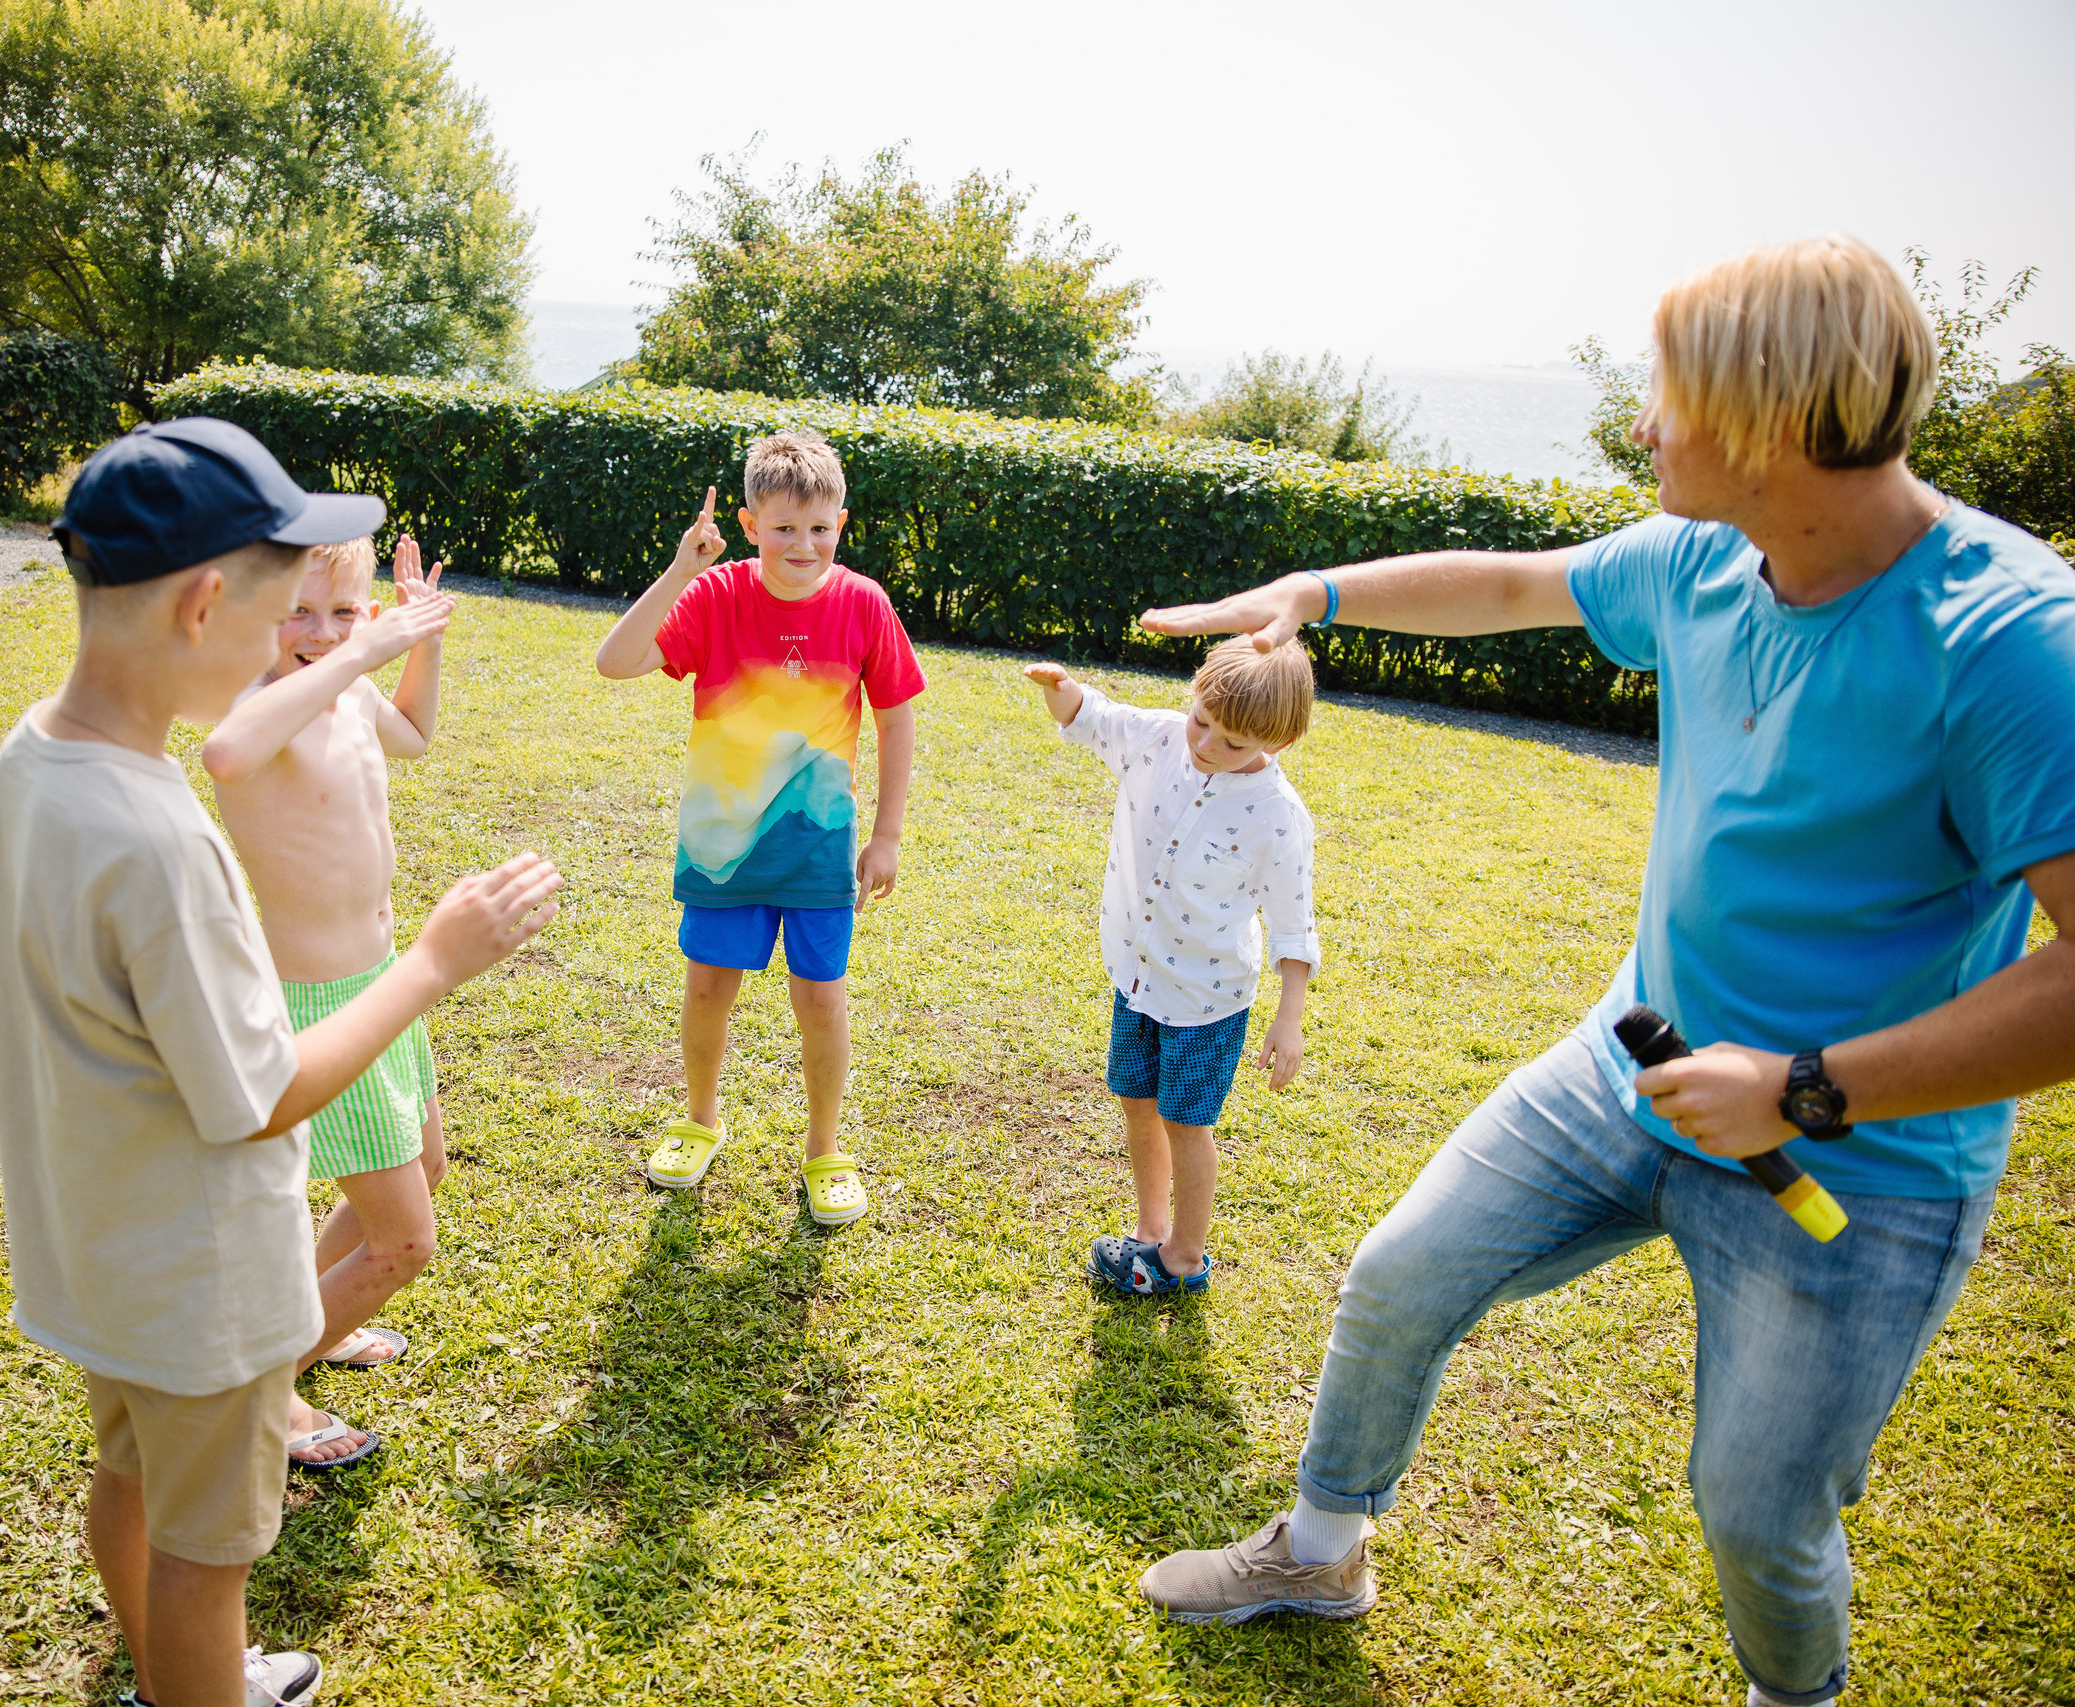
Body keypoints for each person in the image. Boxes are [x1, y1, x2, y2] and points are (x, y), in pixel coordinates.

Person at [1127, 237, 2075, 1707]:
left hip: (1864, 1165)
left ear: (1770, 412)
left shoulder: (2008, 641)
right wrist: (1314, 591)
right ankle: (1320, 1547)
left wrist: (1804, 1086)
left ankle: (1794, 1695)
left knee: (1760, 1508)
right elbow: (1512, 583)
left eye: (1666, 394)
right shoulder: (1704, 559)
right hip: (1629, 1060)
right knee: (1398, 1275)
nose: (1643, 424)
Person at [0, 418, 560, 1707]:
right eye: (278, 614)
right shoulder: (159, 836)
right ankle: (202, 1684)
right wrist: (435, 960)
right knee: (211, 1554)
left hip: (104, 1247)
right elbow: (254, 1101)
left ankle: (161, 1679)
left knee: (130, 1481)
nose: (297, 644)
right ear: (202, 605)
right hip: (201, 1278)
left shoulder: (40, 757)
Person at [593, 431, 926, 1225]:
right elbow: (615, 660)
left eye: (818, 527)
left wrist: (887, 834)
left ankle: (824, 1147)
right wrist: (682, 570)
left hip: (818, 854)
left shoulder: (864, 604)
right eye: (783, 527)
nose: (801, 544)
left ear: (840, 524)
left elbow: (896, 717)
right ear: (748, 525)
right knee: (708, 987)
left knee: (821, 999)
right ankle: (700, 1118)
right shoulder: (715, 597)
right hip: (724, 852)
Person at [203, 533, 456, 1471]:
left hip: (385, 979)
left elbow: (417, 734)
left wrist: (418, 638)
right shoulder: (257, 701)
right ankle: (262, 1393)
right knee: (403, 1241)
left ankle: (305, 1320)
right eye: (296, 611)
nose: (319, 632)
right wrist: (356, 650)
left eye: (343, 612)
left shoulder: (346, 688)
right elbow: (225, 755)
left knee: (423, 1167)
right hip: (317, 1002)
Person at [1022, 638, 1321, 1295]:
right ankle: (1150, 1230)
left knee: (1186, 1120)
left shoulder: (1278, 816)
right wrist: (1062, 689)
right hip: (1137, 974)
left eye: (1234, 741)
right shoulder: (1160, 737)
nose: (1208, 744)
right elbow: (1096, 718)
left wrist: (1289, 1018)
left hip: (1207, 998)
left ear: (1280, 741)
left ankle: (1184, 1258)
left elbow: (1294, 924)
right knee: (1136, 1099)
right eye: (1202, 721)